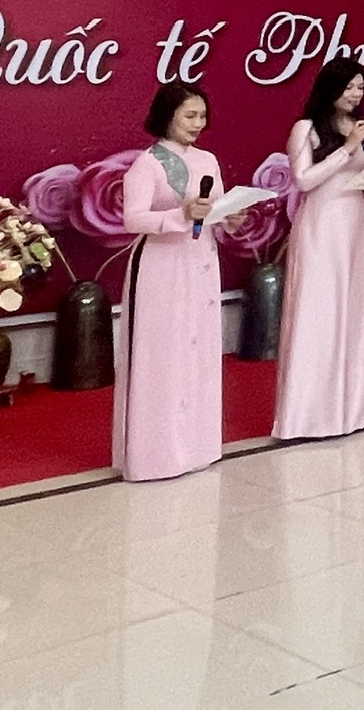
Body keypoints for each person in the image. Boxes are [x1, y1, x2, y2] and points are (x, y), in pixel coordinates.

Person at [116, 80, 232, 482]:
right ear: (167, 116)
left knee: (199, 350)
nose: (198, 124)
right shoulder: (147, 164)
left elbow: (216, 210)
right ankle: (156, 456)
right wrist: (179, 216)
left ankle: (197, 447)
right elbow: (133, 219)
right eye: (189, 116)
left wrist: (231, 217)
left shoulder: (208, 160)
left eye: (202, 116)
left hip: (200, 261)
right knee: (161, 356)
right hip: (160, 265)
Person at [273, 56, 364, 441]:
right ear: (330, 88)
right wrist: (346, 149)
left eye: (361, 87)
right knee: (317, 312)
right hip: (321, 225)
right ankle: (306, 418)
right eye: (349, 87)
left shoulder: (361, 126)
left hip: (354, 224)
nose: (356, 94)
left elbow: (363, 174)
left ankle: (349, 412)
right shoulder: (306, 128)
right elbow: (304, 180)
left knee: (351, 312)